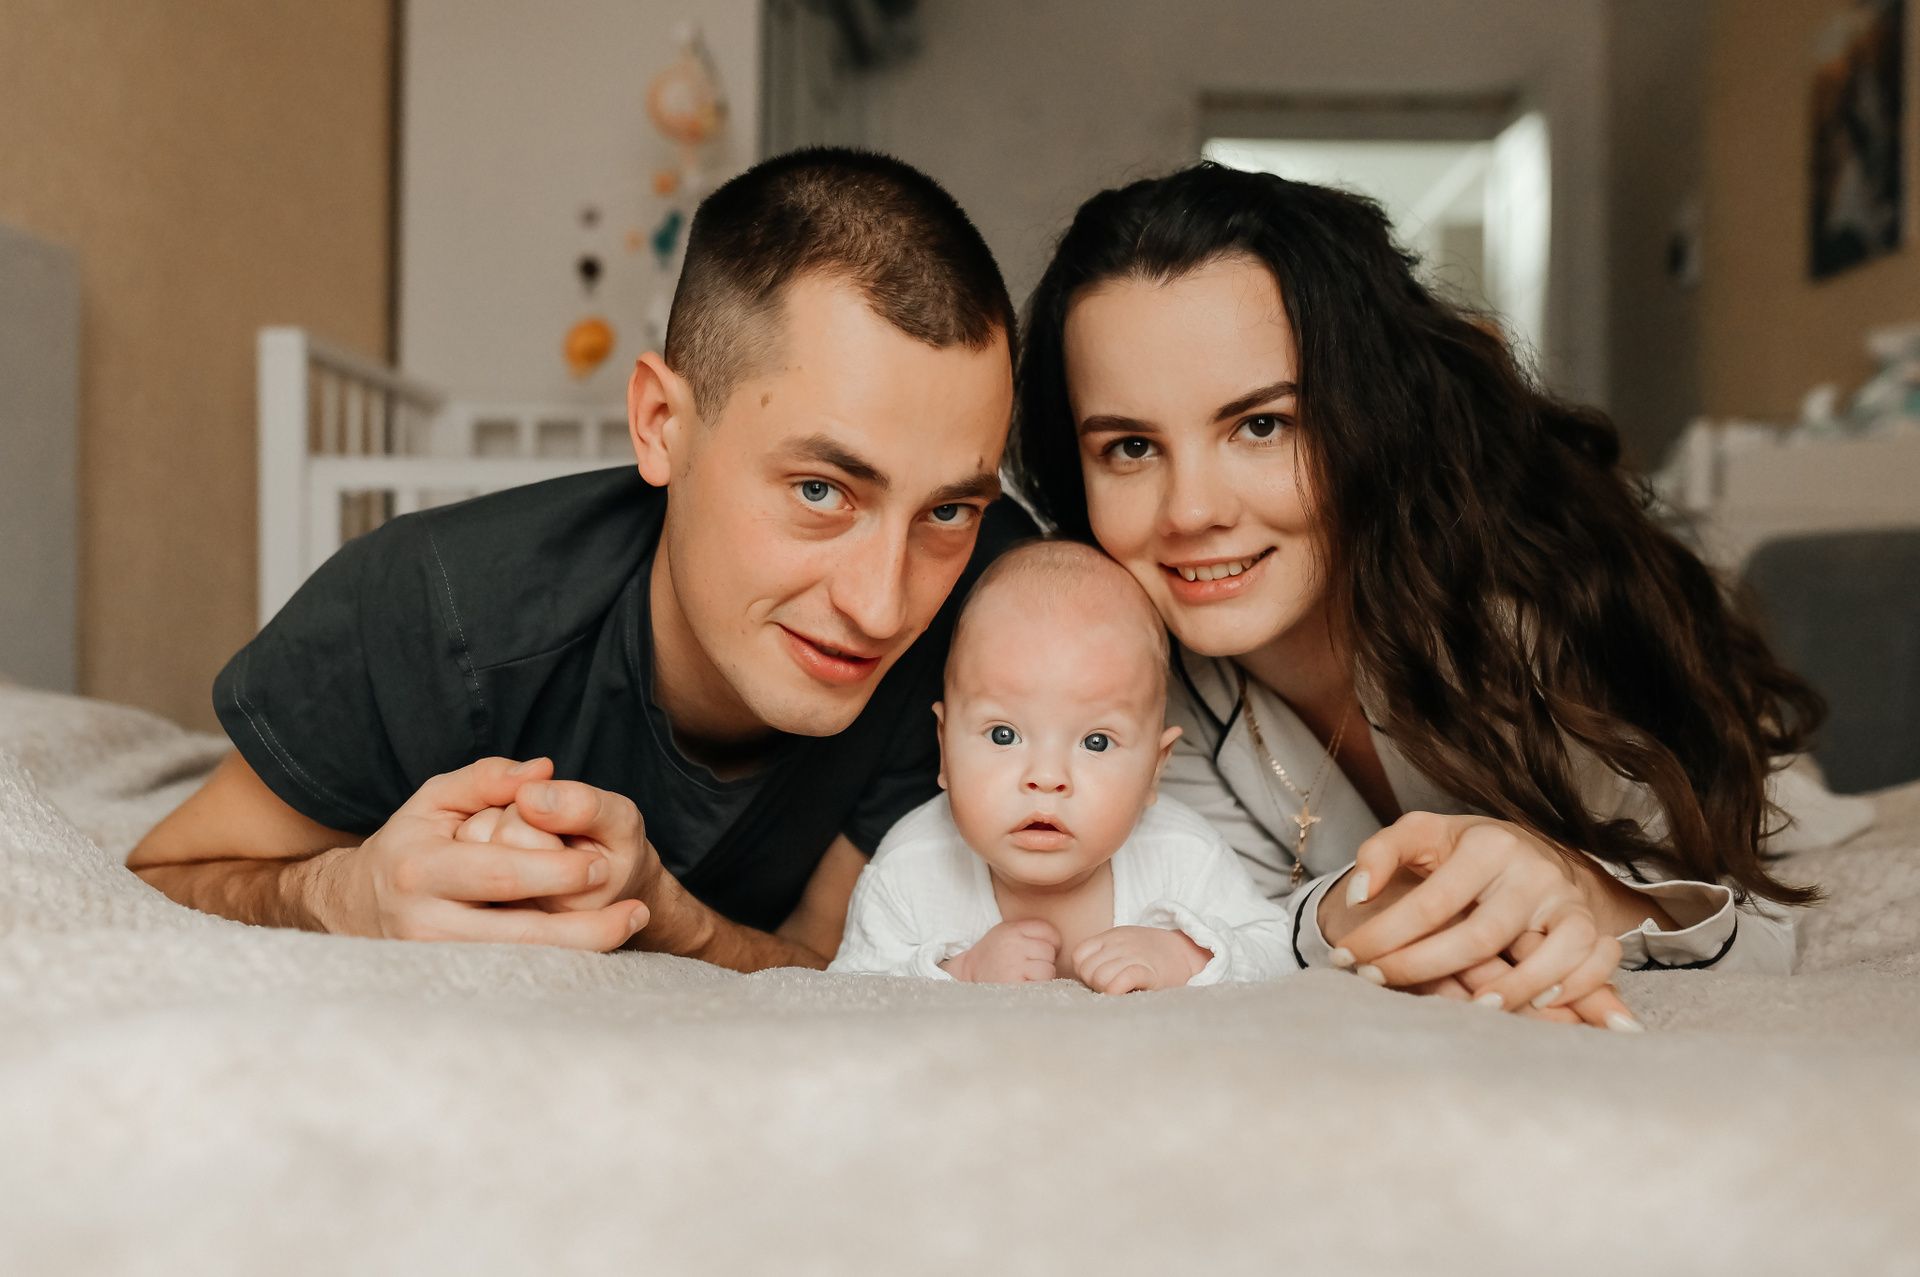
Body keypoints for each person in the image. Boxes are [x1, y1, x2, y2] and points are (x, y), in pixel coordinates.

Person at [1010, 163, 1871, 1028]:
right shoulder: (1126, 676)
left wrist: (1579, 886)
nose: (1191, 511)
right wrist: (1344, 914)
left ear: (1367, 416)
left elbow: (1751, 916)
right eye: (1129, 447)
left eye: (1262, 425)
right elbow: (1218, 911)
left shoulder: (1526, 620)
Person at [127, 148, 1032, 970]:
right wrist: (341, 893)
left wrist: (670, 916)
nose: (882, 608)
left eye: (948, 510)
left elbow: (832, 963)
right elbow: (164, 875)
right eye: (821, 491)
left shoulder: (990, 625)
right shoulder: (433, 609)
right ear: (660, 425)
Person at [828, 540, 1295, 991]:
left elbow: (1276, 950)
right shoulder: (911, 867)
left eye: (1096, 742)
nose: (1047, 778)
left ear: (1155, 769)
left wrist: (1187, 957)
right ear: (945, 749)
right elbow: (853, 990)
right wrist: (959, 972)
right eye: (1003, 735)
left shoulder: (1183, 855)